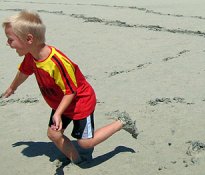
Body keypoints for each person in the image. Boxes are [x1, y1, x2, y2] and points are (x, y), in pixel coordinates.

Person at [2, 10, 139, 164]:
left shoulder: (57, 63)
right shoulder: (32, 56)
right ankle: (77, 161)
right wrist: (12, 88)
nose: (8, 44)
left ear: (29, 39)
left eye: (10, 40)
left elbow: (71, 91)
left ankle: (121, 123)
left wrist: (58, 113)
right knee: (54, 134)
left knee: (85, 143)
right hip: (61, 103)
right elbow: (24, 72)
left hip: (80, 102)